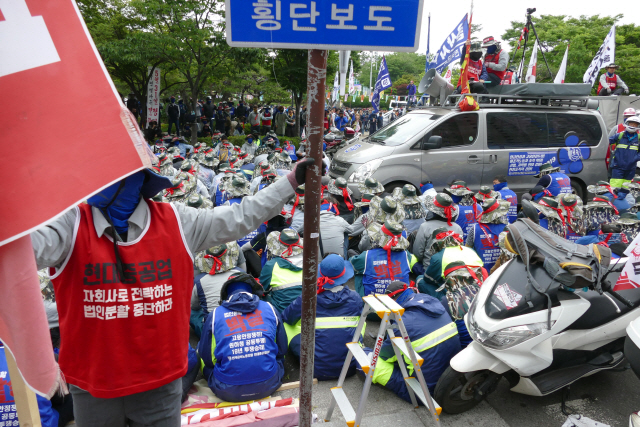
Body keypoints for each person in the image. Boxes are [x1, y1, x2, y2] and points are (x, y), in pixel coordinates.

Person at [31, 157, 316, 425]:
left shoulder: (177, 222)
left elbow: (240, 217)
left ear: (135, 181)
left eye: (107, 178)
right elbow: (25, 249)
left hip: (160, 384)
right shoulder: (70, 225)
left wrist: (289, 181)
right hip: (93, 386)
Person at [359, 281, 461, 401]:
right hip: (452, 380)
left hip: (423, 392)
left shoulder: (402, 324)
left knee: (364, 358)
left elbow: (383, 356)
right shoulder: (434, 303)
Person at [198, 273, 287, 402]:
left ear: (227, 293)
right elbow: (282, 348)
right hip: (269, 383)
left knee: (201, 355)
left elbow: (207, 358)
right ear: (252, 290)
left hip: (226, 390)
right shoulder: (269, 308)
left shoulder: (216, 314)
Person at [282, 254, 363, 380]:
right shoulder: (355, 298)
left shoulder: (307, 299)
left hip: (315, 368)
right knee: (361, 322)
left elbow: (287, 317)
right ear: (344, 276)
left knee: (287, 324)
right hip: (350, 367)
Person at [190, 242, 244, 337]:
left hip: (214, 331)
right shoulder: (240, 274)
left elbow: (194, 306)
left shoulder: (199, 281)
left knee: (191, 312)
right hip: (240, 325)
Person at [350, 221, 417, 297]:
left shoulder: (367, 255)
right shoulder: (406, 254)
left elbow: (352, 265)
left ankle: (362, 301)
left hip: (373, 299)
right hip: (400, 297)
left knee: (359, 272)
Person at [413, 193, 463, 272]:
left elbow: (418, 254)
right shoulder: (457, 228)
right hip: (451, 271)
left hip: (429, 271)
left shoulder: (425, 227)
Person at [260, 229, 304, 313]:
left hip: (282, 314)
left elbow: (261, 290)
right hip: (308, 311)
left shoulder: (271, 265)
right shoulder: (310, 262)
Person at [466, 198, 510, 273]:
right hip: (503, 273)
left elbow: (467, 252)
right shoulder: (509, 228)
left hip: (481, 274)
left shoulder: (474, 229)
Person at [609, 116, 640, 188]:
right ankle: (615, 199)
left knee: (626, 188)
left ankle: (622, 198)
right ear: (627, 124)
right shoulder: (619, 136)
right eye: (631, 124)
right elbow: (606, 142)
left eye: (635, 124)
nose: (632, 126)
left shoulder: (638, 138)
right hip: (617, 167)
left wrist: (635, 158)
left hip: (630, 168)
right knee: (614, 187)